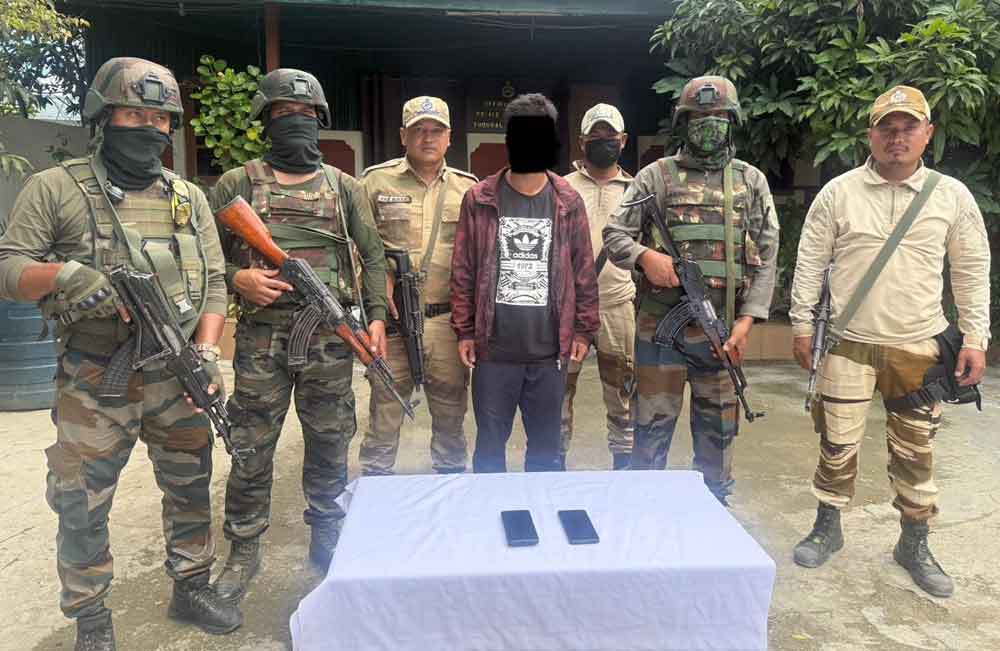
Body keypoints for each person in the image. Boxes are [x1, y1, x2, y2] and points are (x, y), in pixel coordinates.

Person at [0, 57, 240, 650]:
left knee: (190, 484)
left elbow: (214, 282)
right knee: (81, 499)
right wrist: (65, 275)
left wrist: (207, 351)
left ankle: (191, 586)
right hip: (93, 374)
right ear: (104, 117)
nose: (150, 128)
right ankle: (91, 618)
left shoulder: (188, 197)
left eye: (161, 119)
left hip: (177, 368)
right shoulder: (56, 188)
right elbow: (9, 268)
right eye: (135, 114)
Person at [789, 85, 990, 598]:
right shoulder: (839, 193)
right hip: (847, 344)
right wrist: (802, 324)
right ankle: (827, 526)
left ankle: (914, 541)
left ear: (928, 134)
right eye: (887, 129)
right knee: (836, 443)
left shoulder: (951, 196)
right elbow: (810, 261)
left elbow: (971, 270)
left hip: (918, 347)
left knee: (916, 451)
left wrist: (975, 336)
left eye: (908, 128)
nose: (897, 138)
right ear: (871, 135)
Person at [209, 68, 388, 602]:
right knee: (250, 446)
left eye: (306, 114)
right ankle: (244, 547)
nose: (296, 121)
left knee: (331, 441)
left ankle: (327, 532)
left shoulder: (343, 186)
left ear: (320, 120)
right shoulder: (237, 184)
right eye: (284, 113)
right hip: (261, 342)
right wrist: (237, 279)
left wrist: (376, 317)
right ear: (267, 121)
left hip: (328, 339)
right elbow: (203, 260)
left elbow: (373, 255)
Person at [602, 76, 779, 504]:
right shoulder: (656, 176)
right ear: (684, 122)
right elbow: (614, 235)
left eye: (718, 115)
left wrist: (747, 321)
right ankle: (644, 510)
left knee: (718, 432)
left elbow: (767, 255)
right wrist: (646, 257)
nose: (709, 123)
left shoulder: (750, 181)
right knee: (650, 430)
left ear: (732, 121)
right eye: (700, 116)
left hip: (721, 333)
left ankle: (714, 507)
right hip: (659, 331)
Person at [451, 92, 599, 473]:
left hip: (549, 353)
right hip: (494, 352)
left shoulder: (568, 201)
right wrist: (464, 330)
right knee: (489, 451)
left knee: (546, 454)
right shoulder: (480, 198)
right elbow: (464, 269)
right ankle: (490, 510)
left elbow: (583, 270)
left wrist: (584, 331)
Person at [359, 96, 478, 475]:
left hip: (446, 324)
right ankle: (376, 486)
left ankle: (450, 483)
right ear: (402, 136)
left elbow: (480, 258)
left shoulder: (468, 189)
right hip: (392, 323)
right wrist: (375, 291)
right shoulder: (375, 182)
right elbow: (353, 247)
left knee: (451, 416)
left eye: (436, 131)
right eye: (419, 130)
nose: (428, 138)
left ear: (449, 137)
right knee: (385, 412)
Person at [560, 103, 636, 471]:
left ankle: (623, 467)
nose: (603, 141)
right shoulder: (561, 188)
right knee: (558, 394)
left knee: (623, 395)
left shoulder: (638, 191)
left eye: (610, 136)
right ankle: (554, 465)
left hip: (617, 306)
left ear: (623, 141)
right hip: (567, 311)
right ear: (582, 141)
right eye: (596, 135)